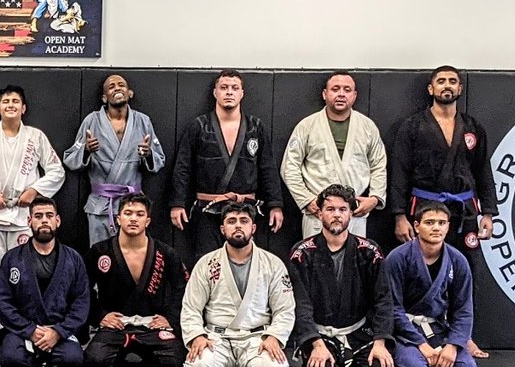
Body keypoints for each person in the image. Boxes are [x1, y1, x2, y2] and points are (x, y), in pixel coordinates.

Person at [389, 65, 494, 359]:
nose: (447, 85)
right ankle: (416, 335)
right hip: (424, 207)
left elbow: (483, 171)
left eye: (452, 81)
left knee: (467, 269)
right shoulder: (412, 127)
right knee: (419, 271)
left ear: (460, 88)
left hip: (464, 211)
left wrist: (488, 212)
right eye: (441, 81)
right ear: (431, 89)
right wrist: (399, 215)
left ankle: (465, 336)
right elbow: (399, 172)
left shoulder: (473, 127)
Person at [0, 85, 66, 343]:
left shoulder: (35, 137)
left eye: (15, 101)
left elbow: (57, 171)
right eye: (5, 101)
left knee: (26, 274)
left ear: (23, 108)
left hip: (22, 217)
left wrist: (34, 190)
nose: (10, 105)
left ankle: (26, 328)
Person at [170, 69, 284, 265]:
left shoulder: (255, 127)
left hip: (244, 210)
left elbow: (268, 168)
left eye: (234, 88)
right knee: (207, 263)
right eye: (224, 88)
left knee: (244, 262)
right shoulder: (199, 126)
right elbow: (183, 167)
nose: (229, 92)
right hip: (208, 210)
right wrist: (178, 203)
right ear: (215, 93)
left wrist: (275, 205)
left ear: (242, 93)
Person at [286, 184, 395, 367]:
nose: (337, 214)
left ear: (351, 213)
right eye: (330, 209)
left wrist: (380, 342)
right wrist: (315, 344)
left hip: (358, 332)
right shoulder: (302, 253)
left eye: (342, 209)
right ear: (319, 214)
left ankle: (347, 359)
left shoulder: (370, 251)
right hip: (320, 333)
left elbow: (383, 300)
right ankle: (339, 359)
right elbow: (300, 303)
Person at [181, 203, 295, 367]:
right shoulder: (207, 263)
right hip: (217, 339)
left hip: (256, 339)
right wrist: (197, 336)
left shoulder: (273, 264)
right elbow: (191, 307)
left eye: (244, 221)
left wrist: (274, 337)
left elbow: (285, 309)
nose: (238, 226)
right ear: (222, 229)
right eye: (231, 221)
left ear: (253, 228)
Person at [83, 194, 188, 367]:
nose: (133, 219)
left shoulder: (166, 253)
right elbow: (83, 289)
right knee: (94, 361)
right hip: (116, 326)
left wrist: (170, 319)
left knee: (177, 362)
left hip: (152, 325)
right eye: (128, 213)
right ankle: (130, 353)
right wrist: (100, 316)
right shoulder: (100, 251)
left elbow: (182, 288)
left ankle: (144, 354)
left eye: (140, 214)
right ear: (118, 219)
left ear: (148, 221)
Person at [281, 72, 388, 238]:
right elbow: (289, 167)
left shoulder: (367, 127)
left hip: (354, 211)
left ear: (354, 95)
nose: (341, 94)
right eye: (335, 89)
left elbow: (379, 165)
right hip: (318, 211)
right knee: (314, 253)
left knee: (354, 254)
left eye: (347, 90)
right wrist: (306, 200)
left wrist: (374, 198)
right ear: (325, 94)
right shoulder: (307, 126)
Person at [62, 74, 165, 245]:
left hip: (132, 205)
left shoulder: (143, 121)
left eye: (121, 85)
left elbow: (159, 159)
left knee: (132, 252)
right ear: (104, 97)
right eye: (111, 87)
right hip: (101, 205)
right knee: (101, 256)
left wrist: (148, 154)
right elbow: (70, 158)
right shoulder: (92, 121)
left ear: (130, 93)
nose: (117, 88)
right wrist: (86, 150)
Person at [386, 201, 479, 367]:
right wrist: (421, 344)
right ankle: (422, 359)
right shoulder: (397, 258)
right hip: (406, 332)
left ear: (448, 227)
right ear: (416, 226)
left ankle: (437, 359)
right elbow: (392, 308)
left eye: (441, 223)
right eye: (429, 223)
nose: (436, 228)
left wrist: (453, 345)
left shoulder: (458, 260)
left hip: (439, 330)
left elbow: (463, 310)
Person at [0, 197, 88, 367]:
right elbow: (2, 301)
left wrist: (58, 332)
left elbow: (81, 302)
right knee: (12, 360)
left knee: (72, 360)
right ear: (29, 221)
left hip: (59, 330)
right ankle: (42, 359)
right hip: (23, 331)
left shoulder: (73, 259)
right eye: (38, 216)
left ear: (57, 221)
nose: (44, 220)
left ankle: (39, 359)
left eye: (49, 216)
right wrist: (30, 330)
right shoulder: (12, 258)